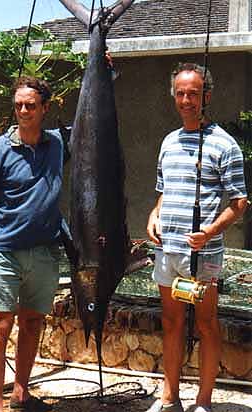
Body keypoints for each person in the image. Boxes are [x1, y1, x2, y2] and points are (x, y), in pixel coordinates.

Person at [146, 63, 247, 412]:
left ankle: (203, 401)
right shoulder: (169, 141)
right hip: (167, 251)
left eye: (193, 93)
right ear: (173, 95)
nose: (186, 100)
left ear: (207, 95)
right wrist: (154, 214)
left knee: (206, 325)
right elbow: (163, 191)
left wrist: (211, 231)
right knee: (171, 323)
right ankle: (169, 397)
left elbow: (239, 203)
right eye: (180, 93)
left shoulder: (224, 144)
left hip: (203, 255)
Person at [0, 76, 66, 412]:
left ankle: (20, 395)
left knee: (32, 323)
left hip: (44, 252)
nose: (23, 111)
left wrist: (108, 74)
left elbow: (92, 119)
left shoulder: (58, 144)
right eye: (18, 105)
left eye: (30, 105)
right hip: (4, 253)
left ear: (45, 108)